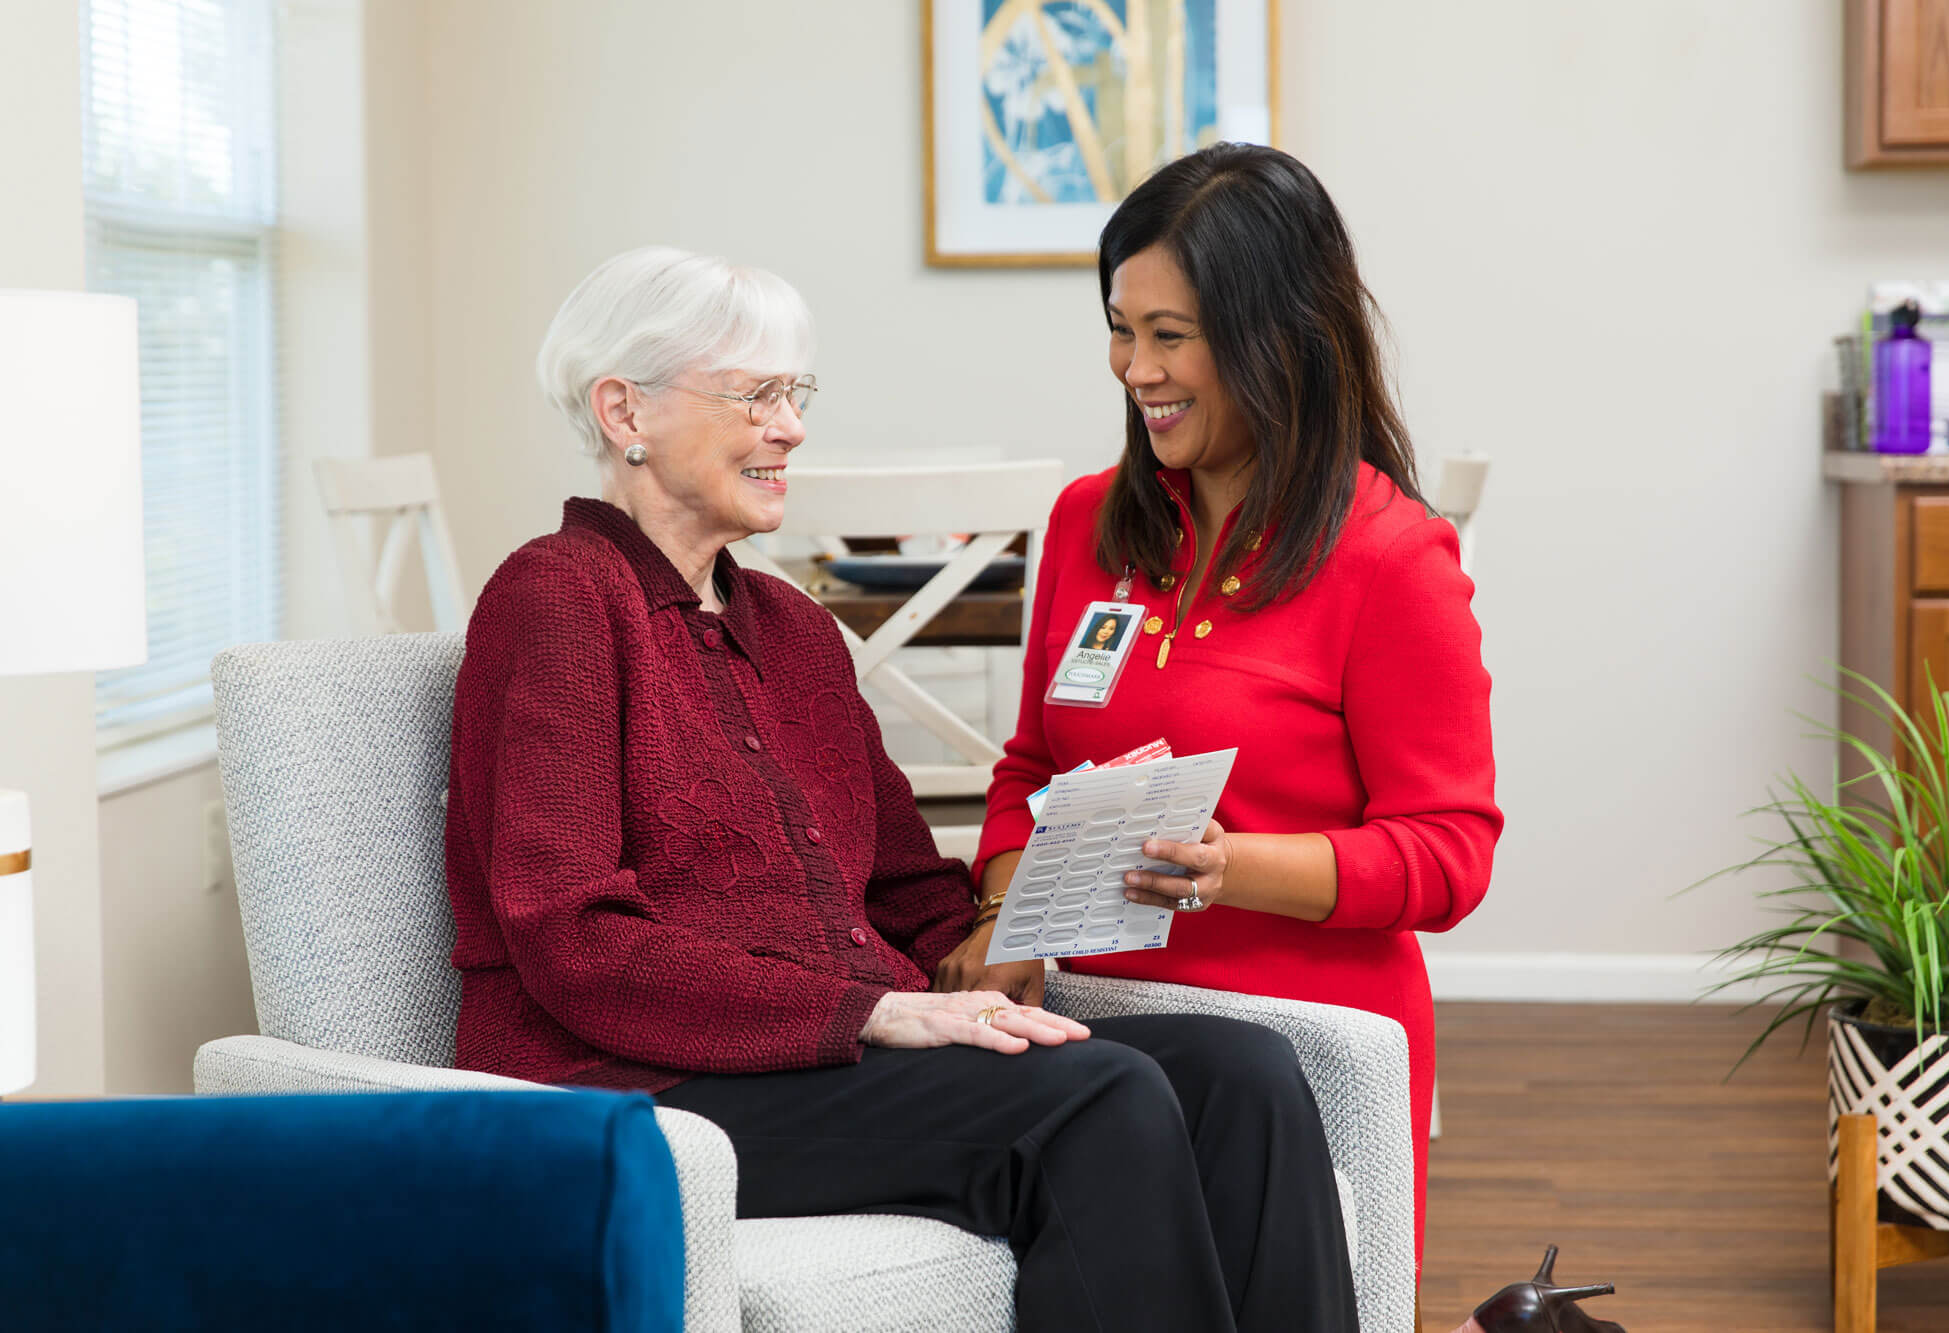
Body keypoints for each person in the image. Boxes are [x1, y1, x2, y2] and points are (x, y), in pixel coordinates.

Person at [443, 245, 1358, 1332]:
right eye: (754, 395)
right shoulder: (554, 599)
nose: (789, 427)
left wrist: (990, 942)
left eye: (795, 394)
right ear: (621, 409)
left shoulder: (788, 626)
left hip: (826, 1052)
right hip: (638, 1088)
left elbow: (903, 885)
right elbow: (571, 936)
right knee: (1090, 1100)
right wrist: (877, 1010)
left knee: (1239, 1071)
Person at [939, 144, 1504, 1277]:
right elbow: (1027, 768)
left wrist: (1231, 866)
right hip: (1080, 1028)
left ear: (1277, 337)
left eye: (1168, 334)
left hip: (1297, 1043)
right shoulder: (1087, 521)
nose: (1130, 366)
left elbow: (1447, 856)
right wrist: (1001, 915)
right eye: (1118, 326)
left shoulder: (1389, 557)